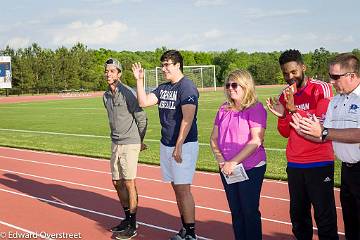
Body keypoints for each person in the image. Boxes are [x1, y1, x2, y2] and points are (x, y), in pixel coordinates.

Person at [266, 49, 339, 240]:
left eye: (294, 72)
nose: (290, 77)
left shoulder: (320, 89)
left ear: (303, 67)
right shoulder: (285, 94)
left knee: (324, 216)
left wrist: (292, 109)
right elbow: (284, 132)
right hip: (295, 164)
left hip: (319, 162)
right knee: (298, 217)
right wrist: (283, 115)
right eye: (285, 73)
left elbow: (320, 125)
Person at [132, 50, 199, 240]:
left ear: (178, 65)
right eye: (163, 65)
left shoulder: (187, 87)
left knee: (183, 189)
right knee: (177, 188)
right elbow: (143, 102)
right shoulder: (163, 88)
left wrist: (178, 145)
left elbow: (188, 118)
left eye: (167, 64)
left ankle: (191, 233)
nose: (163, 69)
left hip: (183, 145)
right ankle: (185, 228)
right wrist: (139, 80)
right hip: (166, 144)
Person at [295, 53, 360, 240]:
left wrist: (324, 133)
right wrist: (305, 130)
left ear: (352, 76)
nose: (331, 81)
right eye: (330, 76)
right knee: (351, 225)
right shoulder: (336, 101)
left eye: (335, 77)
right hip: (347, 172)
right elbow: (324, 135)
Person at [210, 69, 267, 240]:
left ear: (245, 86)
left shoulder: (255, 108)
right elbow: (213, 138)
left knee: (249, 211)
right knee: (236, 211)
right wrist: (222, 161)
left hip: (250, 168)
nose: (230, 88)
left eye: (235, 85)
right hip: (228, 168)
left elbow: (256, 141)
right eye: (227, 85)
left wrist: (233, 162)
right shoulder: (223, 109)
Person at [103, 58, 147, 240]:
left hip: (130, 143)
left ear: (119, 74)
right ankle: (127, 218)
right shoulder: (105, 96)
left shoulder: (127, 93)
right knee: (117, 182)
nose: (108, 74)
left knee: (129, 182)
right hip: (115, 143)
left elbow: (142, 118)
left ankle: (133, 224)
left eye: (112, 71)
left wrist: (139, 141)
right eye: (106, 71)